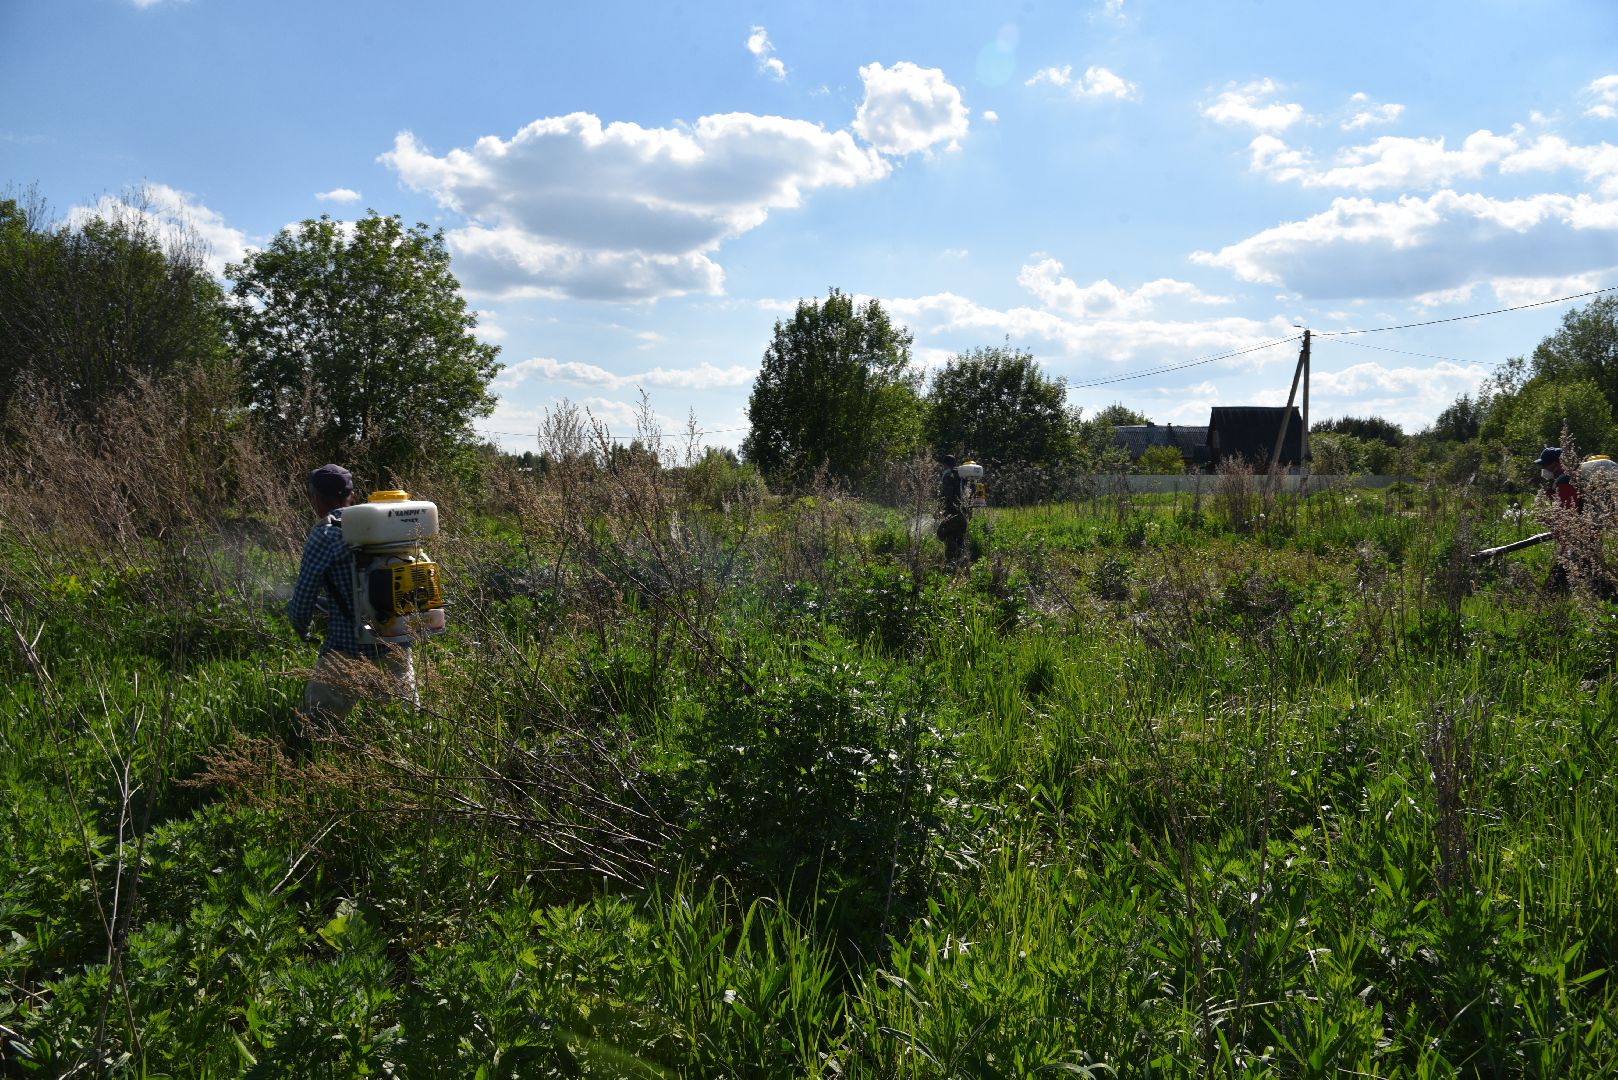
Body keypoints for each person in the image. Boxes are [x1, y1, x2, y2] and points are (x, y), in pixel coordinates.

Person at [287, 464, 417, 724]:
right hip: (395, 641)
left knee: (316, 724)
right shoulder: (391, 527)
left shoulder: (325, 534)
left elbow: (303, 599)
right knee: (404, 726)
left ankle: (313, 760)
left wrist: (302, 627)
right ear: (352, 495)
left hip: (346, 646)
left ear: (315, 497)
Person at [936, 454, 969, 563]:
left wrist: (940, 510)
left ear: (944, 465)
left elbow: (947, 496)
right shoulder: (961, 476)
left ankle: (950, 562)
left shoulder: (948, 476)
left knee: (943, 533)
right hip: (965, 512)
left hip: (953, 512)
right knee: (959, 536)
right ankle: (962, 561)